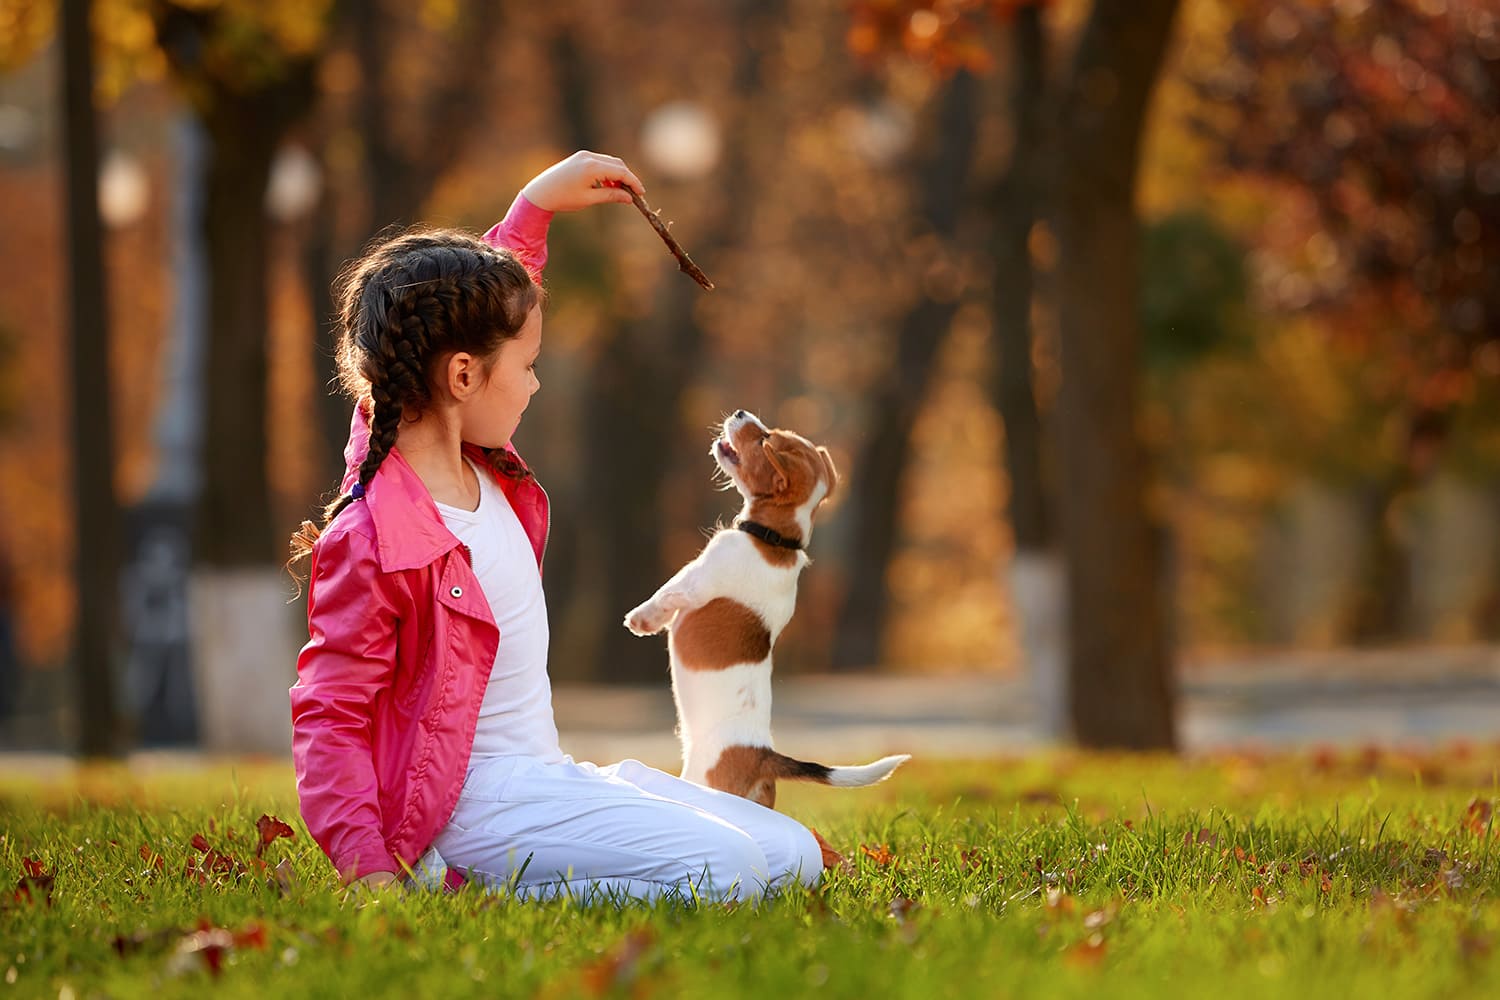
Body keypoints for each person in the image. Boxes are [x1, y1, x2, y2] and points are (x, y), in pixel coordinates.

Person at [288, 151, 822, 902]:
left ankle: (539, 858)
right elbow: (330, 715)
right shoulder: (376, 531)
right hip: (470, 809)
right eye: (529, 365)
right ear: (464, 378)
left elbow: (471, 308)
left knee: (793, 857)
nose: (536, 381)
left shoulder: (483, 463)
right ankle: (459, 893)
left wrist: (534, 206)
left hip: (543, 779)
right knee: (732, 875)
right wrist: (369, 871)